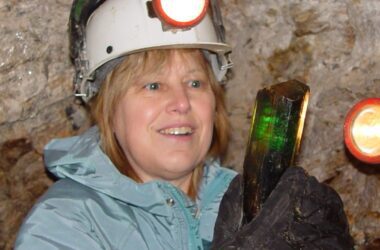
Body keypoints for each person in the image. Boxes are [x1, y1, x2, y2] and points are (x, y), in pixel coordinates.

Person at [15, 0, 354, 249]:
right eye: (152, 85)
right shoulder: (65, 225)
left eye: (195, 83)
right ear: (107, 108)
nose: (181, 103)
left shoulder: (252, 206)